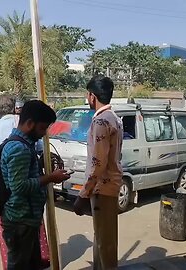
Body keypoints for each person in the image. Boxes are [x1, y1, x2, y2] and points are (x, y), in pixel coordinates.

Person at [0, 100, 70, 269]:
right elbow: (19, 186)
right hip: (20, 220)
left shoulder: (22, 144)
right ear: (30, 123)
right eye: (42, 128)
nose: (44, 133)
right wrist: (50, 178)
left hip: (24, 220)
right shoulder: (19, 149)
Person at [74, 76, 123, 270]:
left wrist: (84, 193)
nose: (87, 99)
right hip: (108, 185)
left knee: (105, 242)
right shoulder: (114, 118)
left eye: (88, 95)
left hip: (103, 188)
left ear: (92, 96)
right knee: (102, 237)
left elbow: (98, 163)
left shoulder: (102, 121)